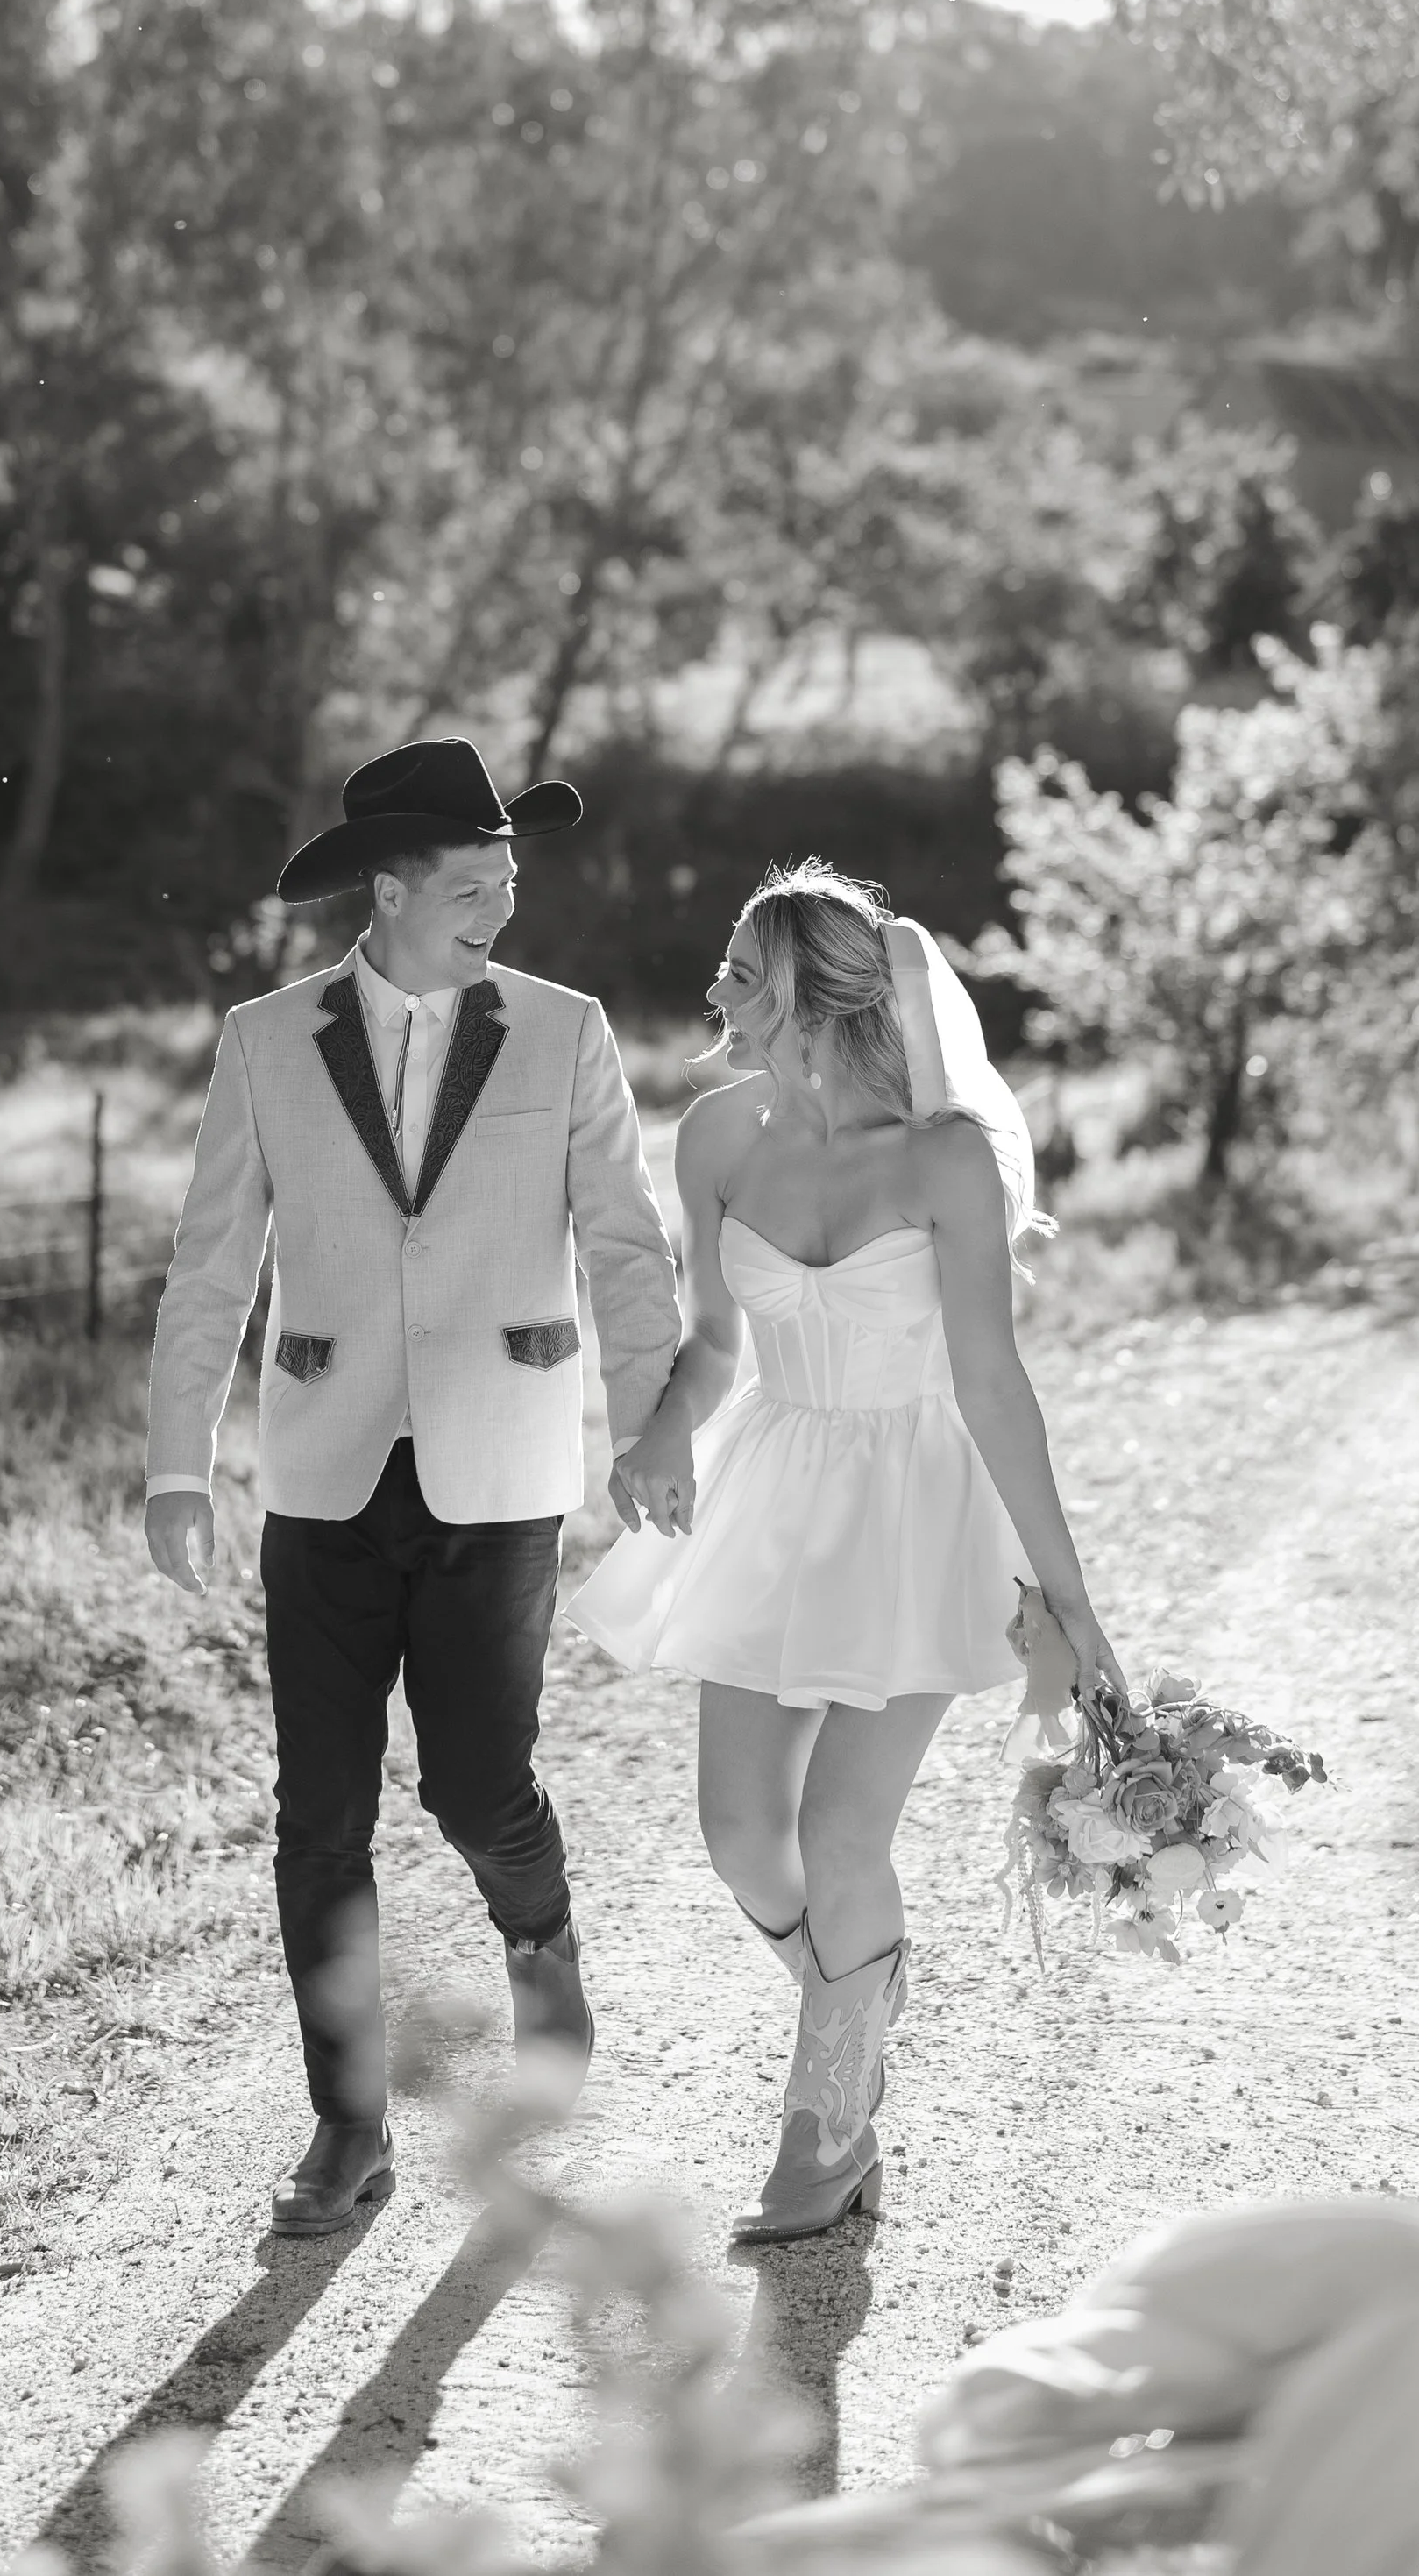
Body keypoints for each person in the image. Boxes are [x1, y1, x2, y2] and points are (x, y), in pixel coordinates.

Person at [144, 737, 681, 2239]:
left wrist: (649, 1426)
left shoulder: (565, 1030)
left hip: (501, 1468)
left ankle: (543, 1946)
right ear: (387, 892)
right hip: (322, 1469)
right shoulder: (266, 1040)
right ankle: (346, 2120)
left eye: (509, 881)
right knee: (318, 1812)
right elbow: (211, 1261)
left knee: (475, 1785)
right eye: (472, 886)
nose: (503, 908)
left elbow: (626, 1244)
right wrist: (179, 1459)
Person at [568, 859, 1123, 2246]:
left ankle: (826, 2133)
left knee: (839, 1831)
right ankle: (858, 1987)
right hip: (776, 1484)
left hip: (920, 1505)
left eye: (741, 970)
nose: (715, 988)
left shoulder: (946, 1158)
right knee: (739, 1834)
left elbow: (992, 1381)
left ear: (812, 999)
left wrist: (1069, 1599)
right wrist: (662, 1429)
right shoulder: (714, 1136)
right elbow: (715, 1339)